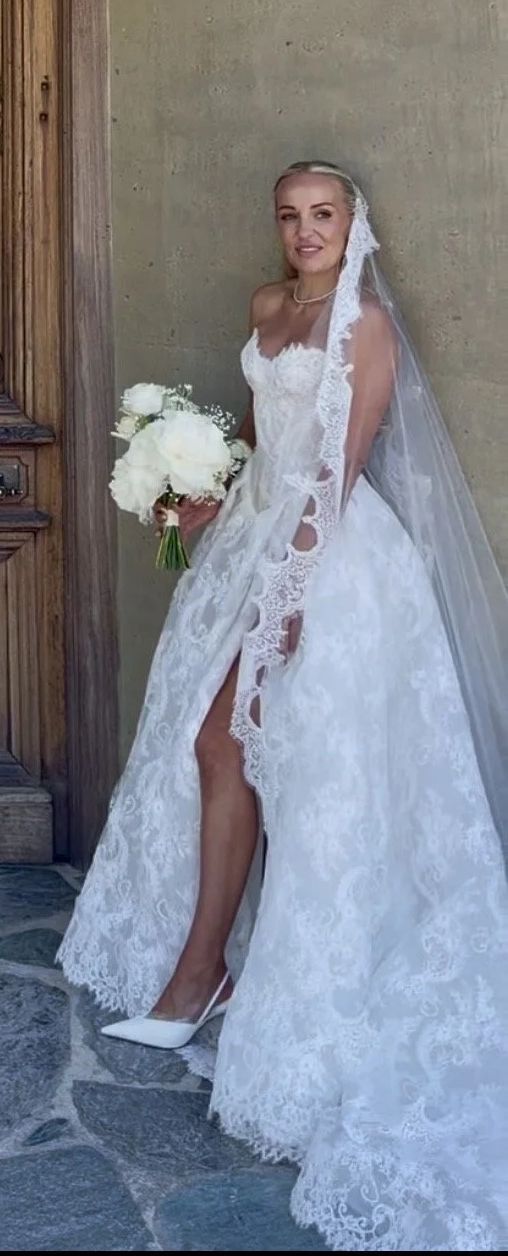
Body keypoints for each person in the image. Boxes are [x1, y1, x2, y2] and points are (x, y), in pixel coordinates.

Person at [59, 162, 508, 1252]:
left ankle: (202, 975)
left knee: (252, 748)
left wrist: (290, 599)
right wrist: (200, 492)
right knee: (214, 747)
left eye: (324, 216)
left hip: (334, 568)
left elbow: (339, 474)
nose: (305, 233)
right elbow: (269, 450)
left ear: (354, 226)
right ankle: (198, 969)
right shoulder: (268, 309)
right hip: (253, 544)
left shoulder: (367, 329)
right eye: (290, 217)